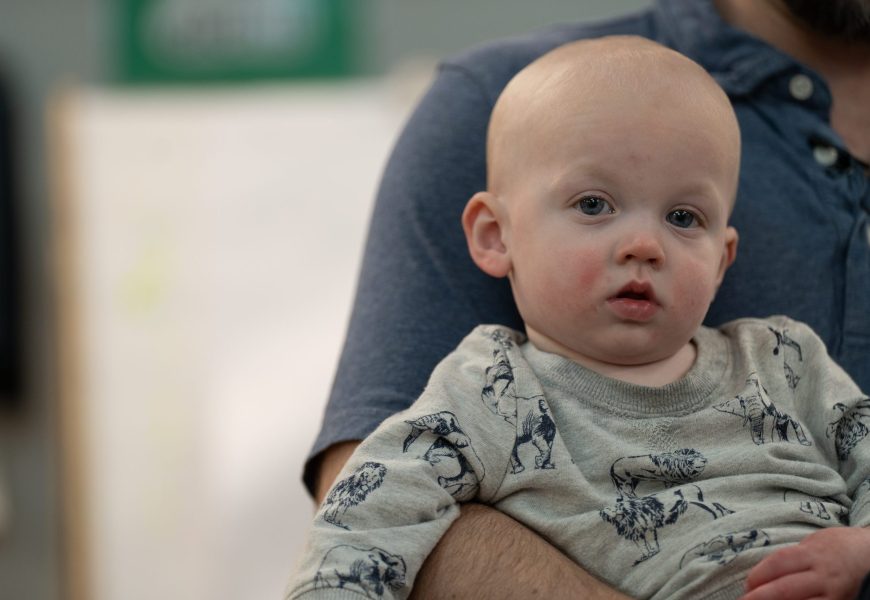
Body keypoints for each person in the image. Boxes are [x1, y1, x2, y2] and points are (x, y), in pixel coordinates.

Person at [306, 1, 870, 597]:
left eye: (683, 217)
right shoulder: (491, 394)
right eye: (594, 205)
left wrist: (859, 549)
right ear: (495, 236)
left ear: (722, 261)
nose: (644, 245)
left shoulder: (782, 359)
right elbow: (361, 524)